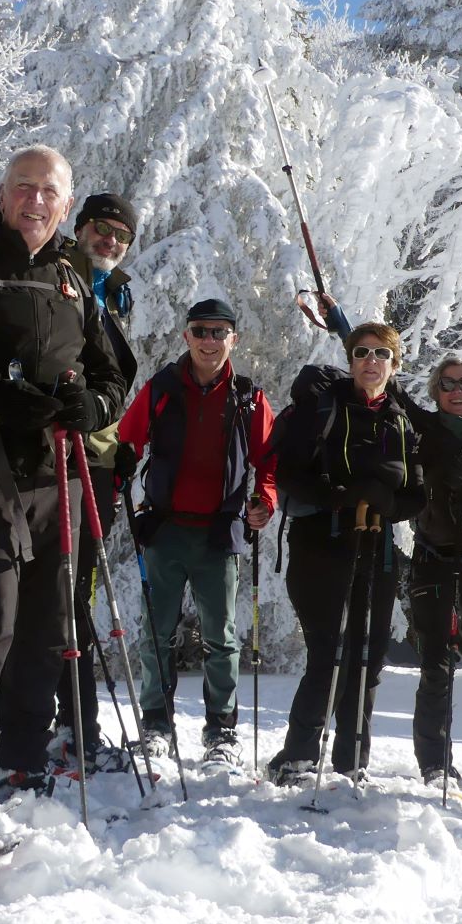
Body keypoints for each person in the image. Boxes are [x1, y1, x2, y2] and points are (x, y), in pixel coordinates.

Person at [0, 145, 127, 837]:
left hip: (58, 475)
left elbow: (111, 375)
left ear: (66, 206)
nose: (35, 200)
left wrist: (90, 409)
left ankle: (25, 757)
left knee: (46, 629)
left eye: (49, 191)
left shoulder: (73, 277)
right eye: (23, 187)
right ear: (2, 192)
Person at [115, 298, 277, 767]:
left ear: (233, 339)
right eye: (200, 331)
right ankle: (156, 727)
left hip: (219, 533)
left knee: (222, 639)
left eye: (219, 332)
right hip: (165, 528)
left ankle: (221, 732)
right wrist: (117, 477)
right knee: (156, 633)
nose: (209, 340)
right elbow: (128, 439)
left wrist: (264, 502)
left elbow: (267, 461)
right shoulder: (163, 388)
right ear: (185, 336)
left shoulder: (248, 396)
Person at [266, 321, 425, 784]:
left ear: (395, 365)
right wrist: (338, 494)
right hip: (321, 542)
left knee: (370, 654)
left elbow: (417, 493)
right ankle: (298, 755)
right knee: (329, 649)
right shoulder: (323, 408)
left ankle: (352, 759)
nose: (370, 362)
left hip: (376, 544)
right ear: (350, 359)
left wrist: (387, 502)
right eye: (361, 353)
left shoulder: (401, 419)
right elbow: (289, 472)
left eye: (381, 354)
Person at [40, 192, 140, 775]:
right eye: (101, 230)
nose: (110, 241)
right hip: (56, 453)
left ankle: (76, 721)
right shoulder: (58, 274)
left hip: (97, 458)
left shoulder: (114, 290)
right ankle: (68, 721)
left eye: (120, 237)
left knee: (77, 593)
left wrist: (122, 448)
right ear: (79, 228)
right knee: (55, 591)